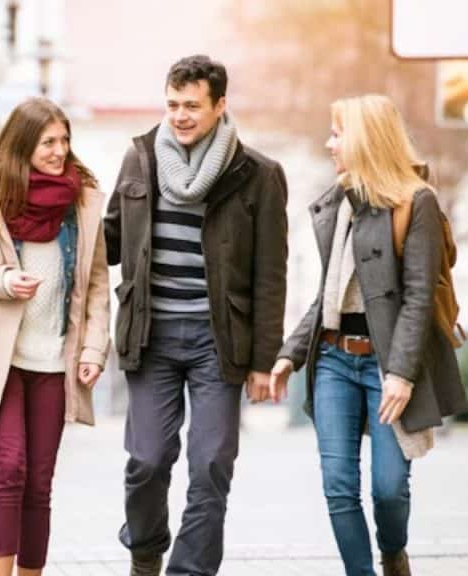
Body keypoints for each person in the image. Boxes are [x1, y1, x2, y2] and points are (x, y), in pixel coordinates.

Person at [103, 54, 288, 576]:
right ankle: (145, 550)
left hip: (218, 341)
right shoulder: (139, 159)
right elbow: (110, 242)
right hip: (151, 336)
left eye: (192, 105)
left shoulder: (258, 175)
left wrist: (262, 361)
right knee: (147, 461)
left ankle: (190, 571)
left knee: (210, 465)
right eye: (172, 104)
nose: (180, 115)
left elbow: (271, 274)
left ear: (220, 105)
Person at [269, 94, 467, 576]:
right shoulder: (339, 201)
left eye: (337, 134)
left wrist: (400, 373)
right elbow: (326, 296)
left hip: (388, 363)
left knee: (388, 487)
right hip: (335, 359)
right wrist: (290, 355)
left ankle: (393, 552)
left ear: (365, 138)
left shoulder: (415, 202)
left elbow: (419, 296)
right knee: (338, 484)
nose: (329, 143)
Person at [0, 97, 111, 576]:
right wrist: (2, 281)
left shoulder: (81, 200)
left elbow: (99, 281)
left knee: (40, 481)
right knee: (9, 471)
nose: (59, 150)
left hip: (54, 361)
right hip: (1, 362)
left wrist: (92, 349)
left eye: (64, 140)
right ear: (24, 143)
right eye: (48, 142)